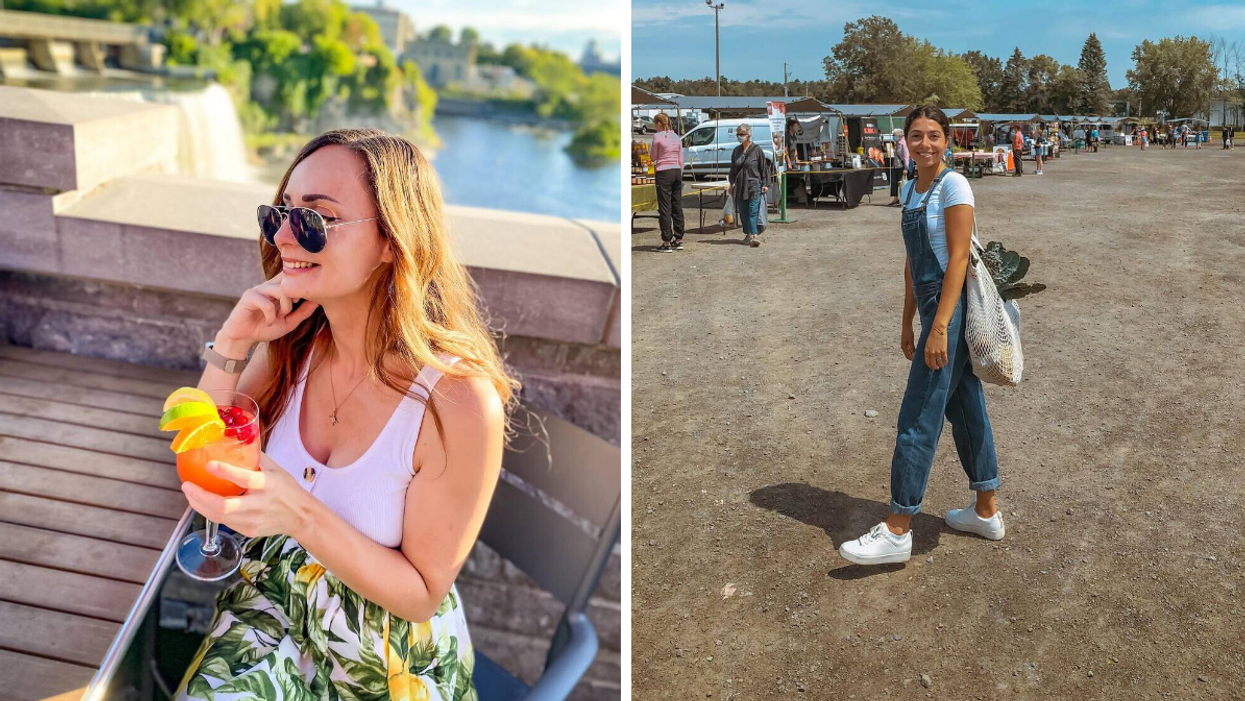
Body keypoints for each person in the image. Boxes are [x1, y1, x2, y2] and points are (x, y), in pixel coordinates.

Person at [173, 128, 515, 700]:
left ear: (391, 241)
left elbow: (422, 594)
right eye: (277, 215)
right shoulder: (294, 345)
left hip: (383, 660)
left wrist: (299, 514)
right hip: (272, 619)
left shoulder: (456, 400)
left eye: (314, 220)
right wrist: (232, 343)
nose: (283, 235)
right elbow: (198, 457)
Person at [839, 105, 1003, 565]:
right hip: (930, 307)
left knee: (918, 414)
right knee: (965, 406)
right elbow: (912, 264)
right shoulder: (910, 190)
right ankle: (986, 510)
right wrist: (907, 319)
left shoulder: (955, 185)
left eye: (934, 135)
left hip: (950, 309)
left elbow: (957, 261)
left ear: (947, 140)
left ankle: (898, 528)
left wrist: (939, 327)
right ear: (905, 141)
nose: (925, 143)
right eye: (917, 135)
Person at [728, 123, 771, 248]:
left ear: (748, 135)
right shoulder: (736, 151)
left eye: (742, 134)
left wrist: (765, 184)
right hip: (740, 186)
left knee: (753, 210)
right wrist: (731, 183)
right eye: (738, 134)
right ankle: (748, 233)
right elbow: (733, 170)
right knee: (743, 211)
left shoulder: (757, 150)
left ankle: (754, 235)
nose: (739, 136)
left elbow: (764, 168)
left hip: (754, 184)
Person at [650, 113, 686, 253]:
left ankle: (666, 241)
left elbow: (653, 157)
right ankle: (679, 239)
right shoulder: (676, 137)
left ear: (659, 123)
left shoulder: (657, 137)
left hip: (663, 172)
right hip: (676, 171)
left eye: (655, 124)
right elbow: (680, 158)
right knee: (676, 205)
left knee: (665, 207)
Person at [888, 128, 911, 206]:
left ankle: (905, 200)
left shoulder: (903, 143)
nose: (893, 136)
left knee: (903, 184)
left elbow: (906, 156)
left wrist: (905, 168)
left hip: (902, 166)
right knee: (894, 182)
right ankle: (895, 198)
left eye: (894, 135)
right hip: (896, 165)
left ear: (899, 135)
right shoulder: (897, 143)